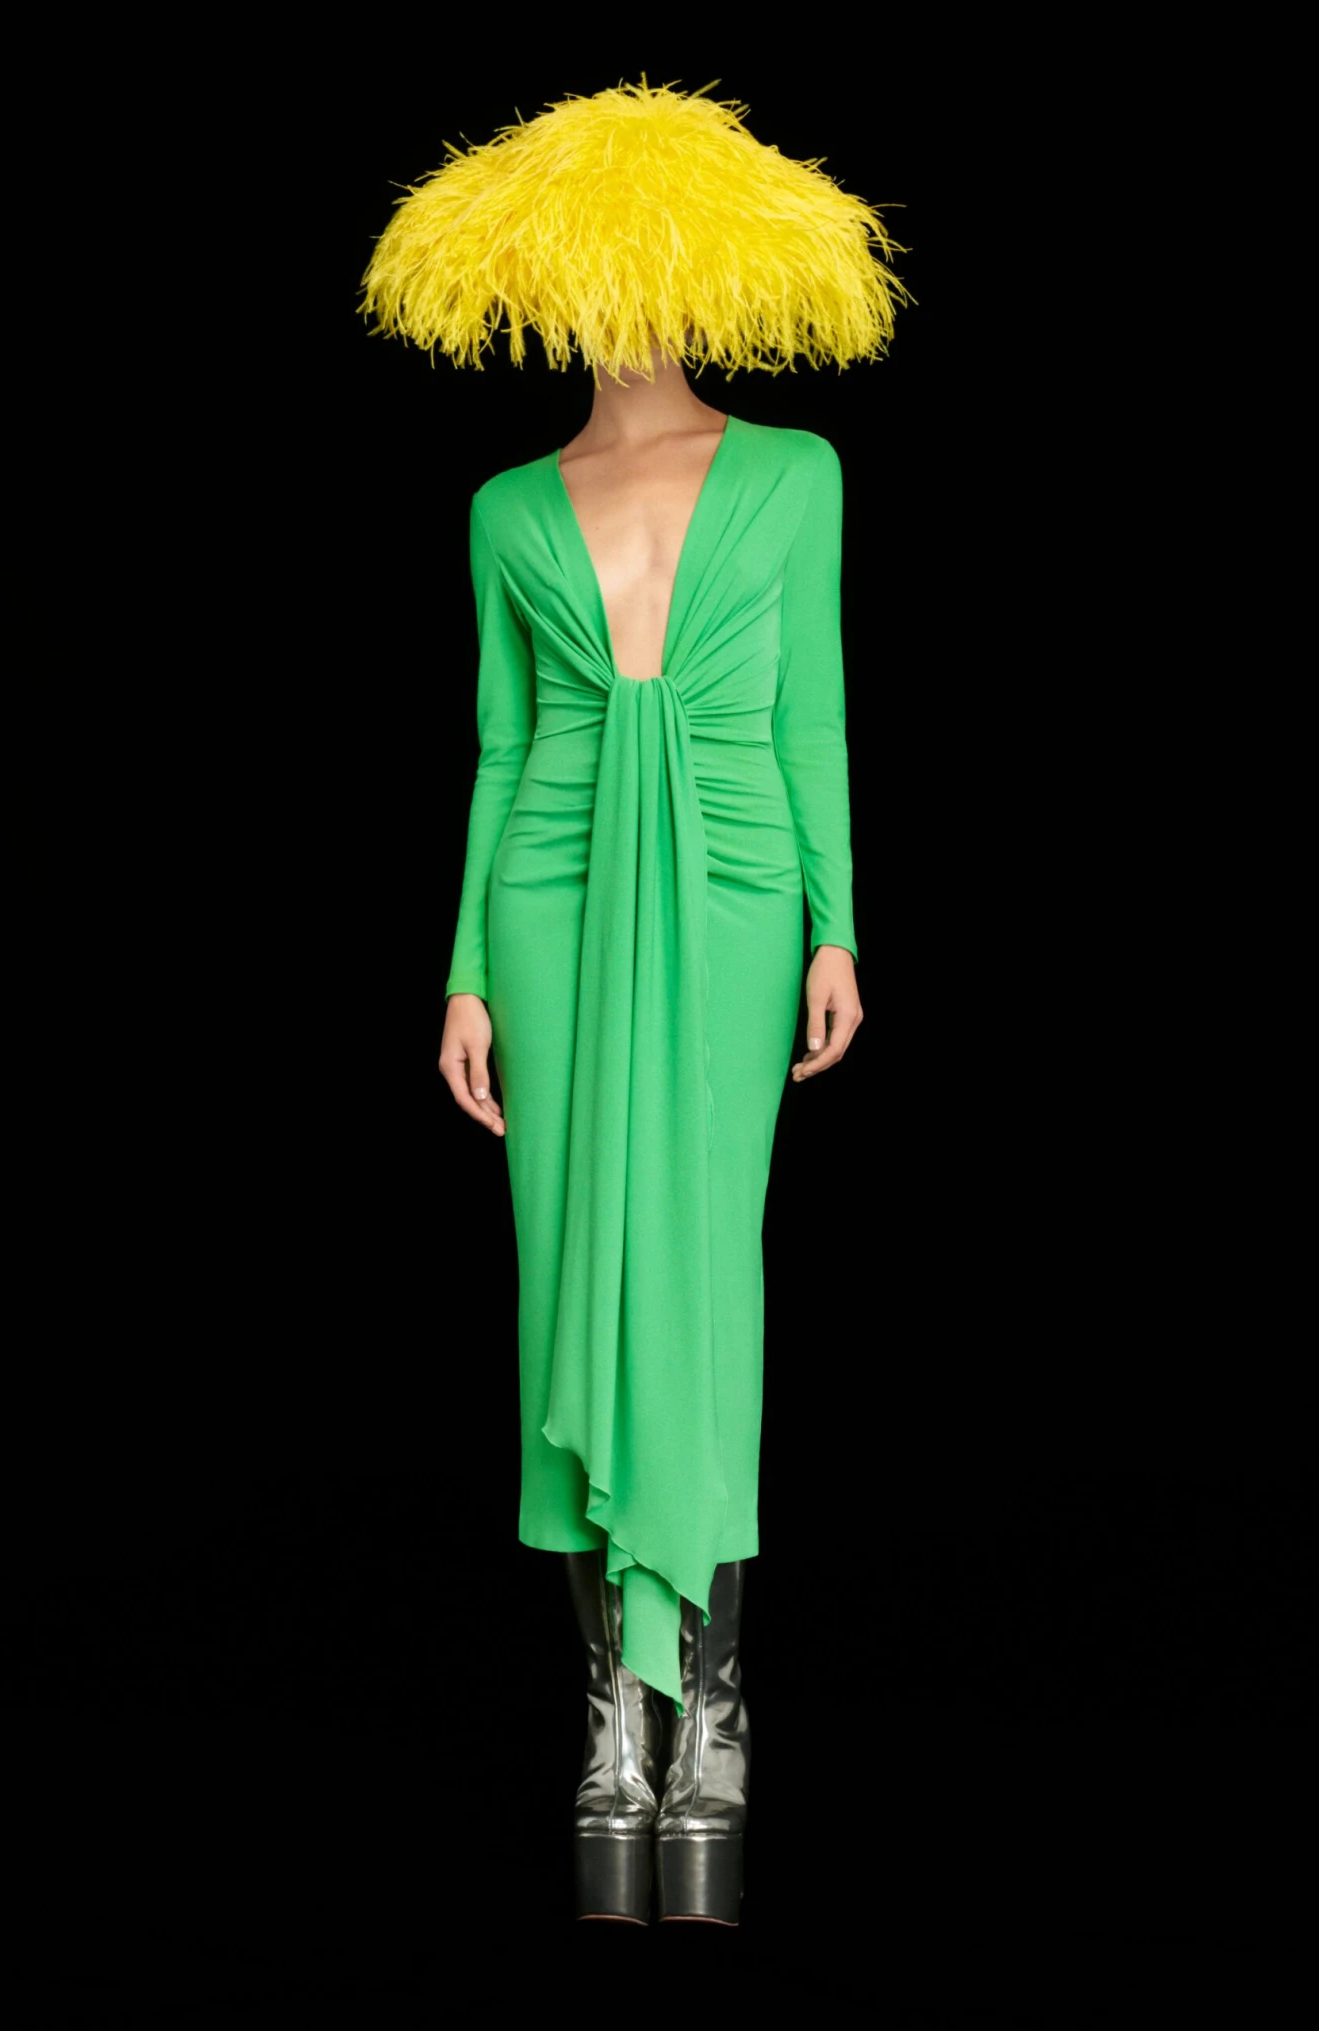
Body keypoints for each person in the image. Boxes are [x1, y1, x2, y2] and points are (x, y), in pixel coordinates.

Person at [362, 80, 910, 1925]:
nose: (626, 296)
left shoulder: (799, 471)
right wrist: (462, 966)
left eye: (651, 261)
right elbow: (502, 745)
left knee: (701, 1279)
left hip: (741, 889)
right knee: (566, 1282)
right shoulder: (506, 503)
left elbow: (816, 712)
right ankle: (613, 1720)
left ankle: (717, 1706)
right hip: (551, 896)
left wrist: (837, 924)